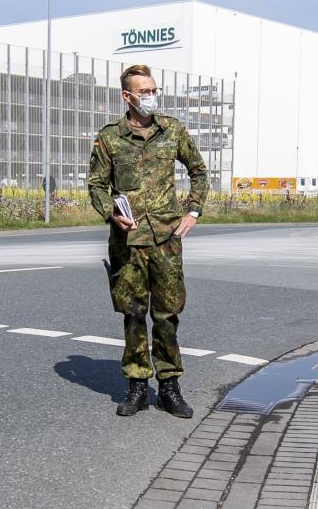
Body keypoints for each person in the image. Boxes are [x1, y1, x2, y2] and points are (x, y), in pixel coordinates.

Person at [87, 64, 209, 419]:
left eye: (154, 90)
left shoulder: (172, 131)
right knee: (133, 313)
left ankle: (169, 386)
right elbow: (95, 184)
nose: (152, 96)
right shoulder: (109, 137)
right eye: (145, 91)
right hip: (128, 241)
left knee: (168, 314)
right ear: (127, 96)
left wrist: (193, 212)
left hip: (166, 238)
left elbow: (199, 170)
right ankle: (138, 385)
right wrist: (111, 212)